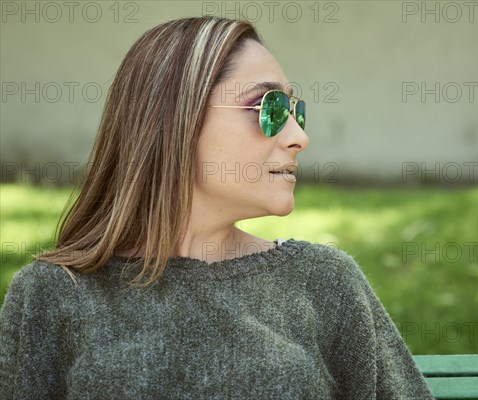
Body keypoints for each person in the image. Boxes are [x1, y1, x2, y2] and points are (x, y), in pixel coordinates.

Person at [0, 16, 434, 399]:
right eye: (270, 107)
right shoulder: (53, 294)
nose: (298, 137)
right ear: (174, 118)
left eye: (296, 111)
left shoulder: (324, 281)